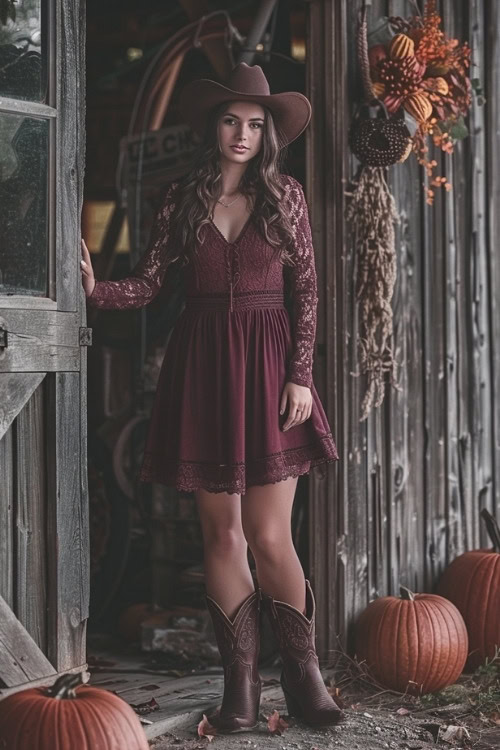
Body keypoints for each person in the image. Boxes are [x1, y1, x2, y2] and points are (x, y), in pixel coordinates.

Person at [81, 62, 343, 732]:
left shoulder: (286, 196)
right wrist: (93, 290)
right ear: (213, 125)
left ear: (268, 134)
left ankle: (305, 679)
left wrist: (300, 376)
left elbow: (307, 293)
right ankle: (242, 690)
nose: (242, 133)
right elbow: (146, 286)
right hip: (201, 369)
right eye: (232, 120)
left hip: (269, 369)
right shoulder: (181, 199)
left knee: (268, 533)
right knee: (220, 534)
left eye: (255, 124)